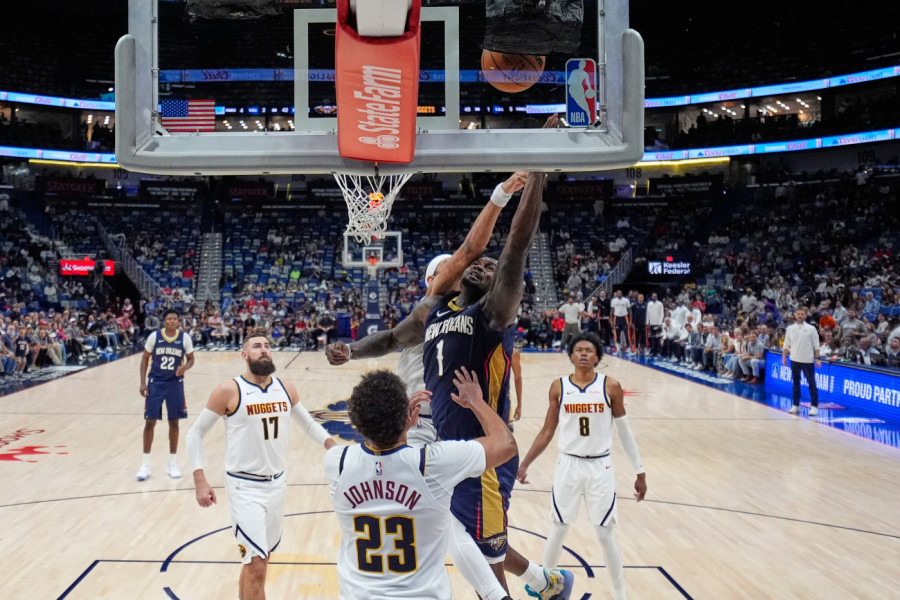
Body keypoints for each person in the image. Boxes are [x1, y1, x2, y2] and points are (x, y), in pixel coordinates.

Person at [327, 144, 574, 598]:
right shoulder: (430, 312)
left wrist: (531, 174)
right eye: (461, 267)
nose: (475, 265)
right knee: (462, 536)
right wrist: (351, 350)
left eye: (483, 266)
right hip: (429, 434)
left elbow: (510, 251)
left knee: (472, 542)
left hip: (470, 437)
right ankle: (543, 581)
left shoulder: (492, 313)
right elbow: (389, 338)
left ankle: (535, 584)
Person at [326, 367, 517, 600]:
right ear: (409, 417)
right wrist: (476, 401)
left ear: (356, 421)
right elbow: (506, 444)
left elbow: (363, 454)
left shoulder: (337, 462)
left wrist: (399, 424)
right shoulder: (432, 464)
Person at [186, 330, 335, 600]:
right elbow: (195, 433)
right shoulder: (229, 390)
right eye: (257, 346)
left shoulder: (285, 388)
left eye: (267, 345)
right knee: (257, 566)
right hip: (244, 487)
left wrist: (333, 448)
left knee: (258, 561)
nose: (264, 349)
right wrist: (200, 479)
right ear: (244, 355)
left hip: (277, 484)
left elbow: (309, 425)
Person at [517, 333, 646, 600]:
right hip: (568, 464)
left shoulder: (611, 386)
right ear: (571, 356)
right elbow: (547, 431)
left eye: (589, 350)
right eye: (579, 350)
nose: (584, 353)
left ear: (597, 357)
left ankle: (620, 594)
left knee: (604, 533)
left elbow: (625, 432)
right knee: (559, 527)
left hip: (600, 466)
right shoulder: (559, 387)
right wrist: (526, 462)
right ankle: (545, 587)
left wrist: (640, 471)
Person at [137, 308, 195, 481]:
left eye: (174, 319)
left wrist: (185, 367)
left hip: (175, 384)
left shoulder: (184, 338)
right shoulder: (154, 337)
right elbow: (145, 358)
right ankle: (145, 464)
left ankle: (172, 463)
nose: (172, 321)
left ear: (178, 322)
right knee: (150, 422)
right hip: (155, 383)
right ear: (164, 321)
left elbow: (191, 358)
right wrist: (143, 383)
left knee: (174, 422)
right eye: (169, 319)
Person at [782, 307, 821, 416]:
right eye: (798, 314)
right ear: (795, 315)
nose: (800, 316)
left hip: (807, 360)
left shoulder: (811, 328)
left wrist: (818, 358)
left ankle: (814, 406)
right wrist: (784, 357)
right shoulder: (790, 328)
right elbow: (786, 344)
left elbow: (816, 344)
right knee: (795, 383)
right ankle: (796, 405)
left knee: (811, 383)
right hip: (794, 359)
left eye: (802, 314)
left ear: (805, 315)